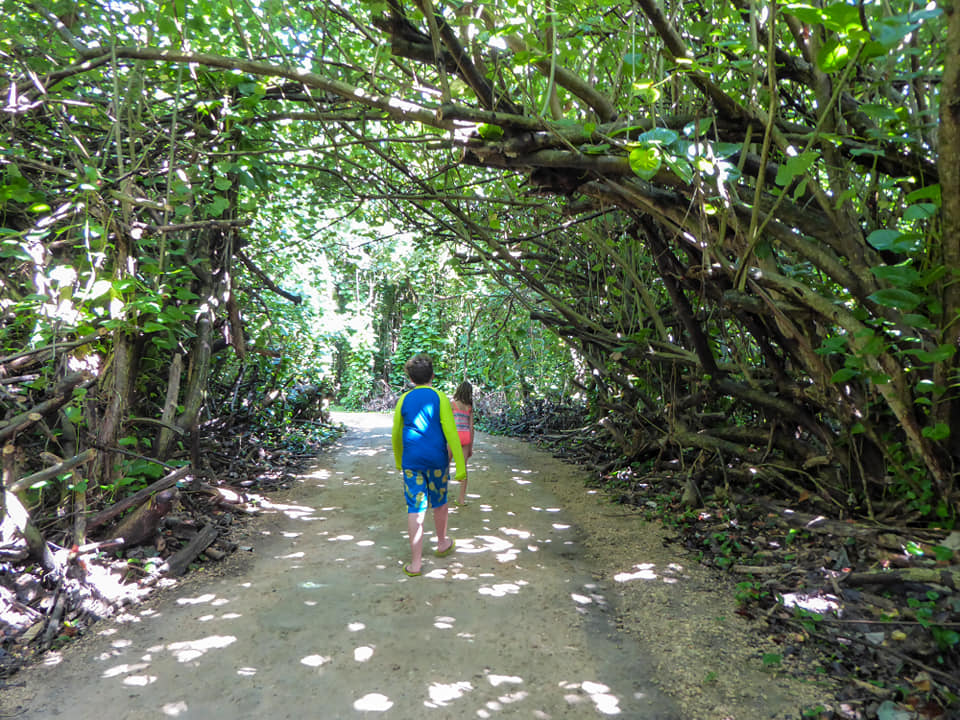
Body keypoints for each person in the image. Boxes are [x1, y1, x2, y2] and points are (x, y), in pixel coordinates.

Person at [391, 354, 466, 577]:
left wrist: (398, 460)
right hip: (437, 461)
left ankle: (416, 564)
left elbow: (396, 434)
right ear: (432, 375)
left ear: (410, 378)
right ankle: (442, 543)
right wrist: (460, 467)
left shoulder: (403, 400)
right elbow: (451, 432)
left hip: (412, 462)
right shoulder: (440, 397)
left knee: (415, 508)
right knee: (440, 502)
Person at [450, 381, 474, 506]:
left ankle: (440, 494)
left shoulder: (452, 404)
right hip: (465, 436)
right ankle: (461, 499)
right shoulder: (469, 406)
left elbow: (447, 422)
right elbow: (471, 427)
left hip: (454, 436)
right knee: (463, 468)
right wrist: (470, 446)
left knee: (445, 465)